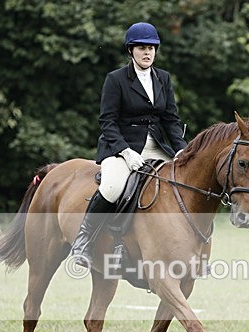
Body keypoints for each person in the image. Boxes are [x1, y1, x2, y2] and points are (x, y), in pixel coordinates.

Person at [71, 21, 188, 268]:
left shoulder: (163, 79)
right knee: (113, 187)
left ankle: (189, 250)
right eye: (142, 48)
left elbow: (171, 120)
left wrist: (181, 150)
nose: (147, 53)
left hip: (156, 146)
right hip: (121, 145)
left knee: (184, 185)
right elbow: (107, 121)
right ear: (130, 51)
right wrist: (125, 151)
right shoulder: (116, 79)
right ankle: (84, 240)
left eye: (152, 48)